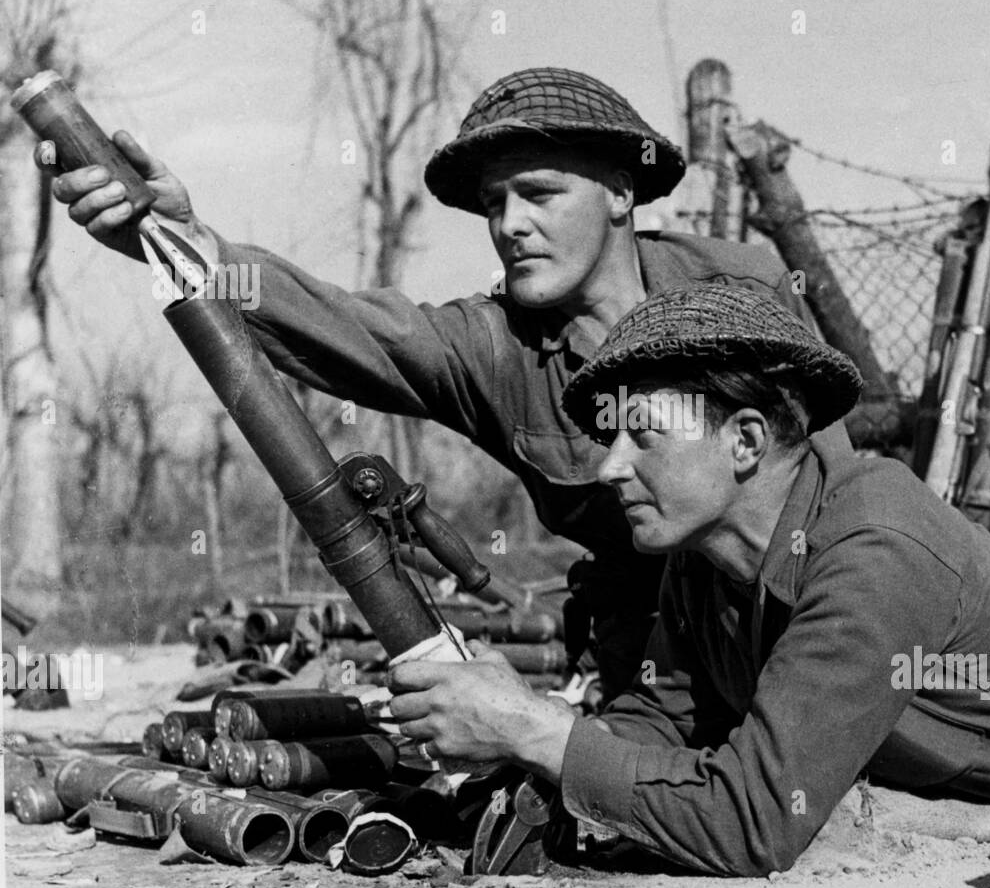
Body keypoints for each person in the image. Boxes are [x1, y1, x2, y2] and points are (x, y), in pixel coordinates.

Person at [385, 283, 990, 877]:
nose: (610, 468)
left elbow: (756, 821)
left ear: (746, 443)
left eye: (642, 436)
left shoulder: (873, 543)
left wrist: (532, 729)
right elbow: (663, 714)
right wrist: (539, 747)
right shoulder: (704, 555)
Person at [39, 67, 836, 700]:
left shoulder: (741, 285)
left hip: (796, 624)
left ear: (622, 192)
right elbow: (343, 323)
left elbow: (836, 494)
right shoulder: (492, 345)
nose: (511, 224)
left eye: (540, 193)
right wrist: (182, 241)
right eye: (495, 202)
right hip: (654, 667)